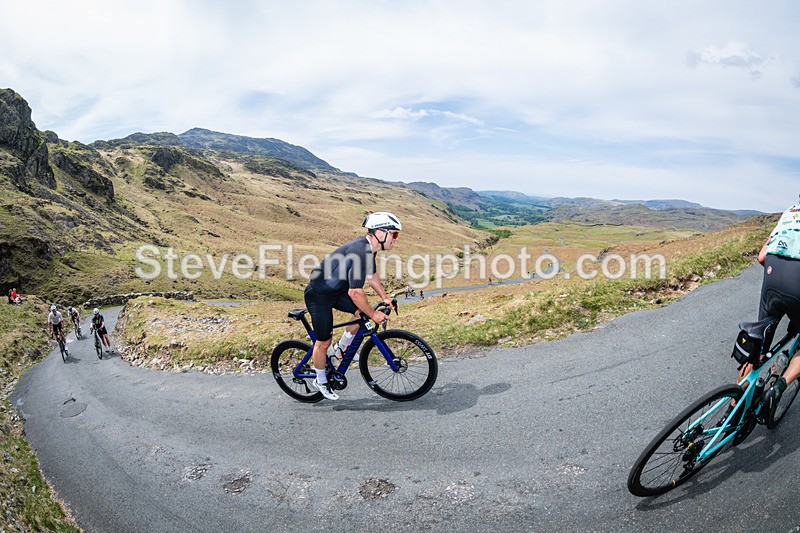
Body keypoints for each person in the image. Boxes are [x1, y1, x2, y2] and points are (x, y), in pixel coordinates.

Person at [304, 211, 401, 400]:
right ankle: (320, 380)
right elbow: (355, 292)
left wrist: (385, 297)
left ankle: (342, 348)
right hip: (319, 296)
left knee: (360, 313)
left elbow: (372, 276)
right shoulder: (360, 252)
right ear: (380, 233)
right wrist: (374, 314)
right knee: (323, 342)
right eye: (394, 234)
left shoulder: (368, 249)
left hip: (335, 291)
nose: (395, 239)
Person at [756, 196, 800, 418]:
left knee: (756, 347)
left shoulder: (790, 212)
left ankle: (735, 406)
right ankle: (778, 388)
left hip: (772, 277)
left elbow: (762, 256)